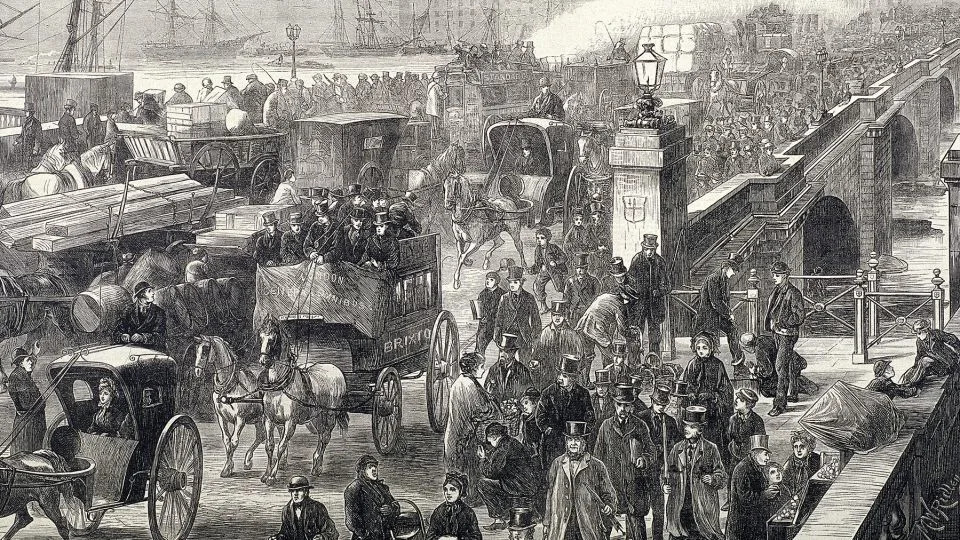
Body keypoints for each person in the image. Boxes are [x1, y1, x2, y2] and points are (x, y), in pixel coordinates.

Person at [593, 384, 656, 540]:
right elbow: (597, 456)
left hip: (634, 486)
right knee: (603, 529)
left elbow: (652, 451)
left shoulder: (640, 426)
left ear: (632, 407)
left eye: (626, 406)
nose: (622, 409)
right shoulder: (606, 426)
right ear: (614, 404)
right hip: (611, 486)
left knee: (637, 531)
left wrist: (645, 459)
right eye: (619, 405)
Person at [543, 420, 617, 540]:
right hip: (562, 523)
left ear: (583, 443)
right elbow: (550, 494)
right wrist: (547, 522)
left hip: (586, 522)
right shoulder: (557, 463)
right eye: (570, 440)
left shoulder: (596, 465)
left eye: (577, 440)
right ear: (566, 442)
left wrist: (610, 505)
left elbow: (608, 492)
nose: (573, 444)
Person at [662, 406, 727, 540]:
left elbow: (722, 475)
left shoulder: (710, 448)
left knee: (702, 535)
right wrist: (664, 484)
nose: (686, 429)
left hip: (702, 504)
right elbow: (666, 471)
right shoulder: (677, 448)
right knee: (679, 535)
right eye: (686, 425)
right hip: (680, 503)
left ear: (700, 429)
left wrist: (713, 479)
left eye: (691, 427)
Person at [444, 352, 502, 500]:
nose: (483, 370)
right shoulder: (468, 385)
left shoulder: (462, 381)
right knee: (466, 468)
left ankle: (468, 496)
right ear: (473, 368)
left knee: (463, 467)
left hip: (461, 434)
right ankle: (469, 498)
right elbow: (480, 411)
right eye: (481, 367)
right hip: (464, 437)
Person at [680, 333, 734, 469]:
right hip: (695, 410)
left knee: (713, 438)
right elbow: (684, 386)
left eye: (704, 347)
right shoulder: (692, 364)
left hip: (713, 412)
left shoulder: (718, 365)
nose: (701, 351)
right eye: (698, 348)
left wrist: (712, 395)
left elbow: (727, 390)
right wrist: (690, 394)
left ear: (711, 348)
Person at [477, 422, 543, 530]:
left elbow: (491, 472)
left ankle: (499, 519)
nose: (489, 444)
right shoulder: (512, 442)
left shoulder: (503, 448)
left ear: (493, 437)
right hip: (526, 484)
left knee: (483, 484)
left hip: (518, 487)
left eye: (489, 440)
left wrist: (482, 459)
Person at [637, 384, 682, 540]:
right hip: (641, 472)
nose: (661, 407)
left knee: (658, 510)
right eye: (658, 404)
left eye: (664, 405)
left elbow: (676, 446)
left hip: (659, 471)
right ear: (652, 401)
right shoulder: (640, 417)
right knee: (639, 509)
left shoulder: (670, 422)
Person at [537, 356, 596, 466]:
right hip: (553, 442)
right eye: (559, 374)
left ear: (573, 378)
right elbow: (540, 415)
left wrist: (581, 434)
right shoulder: (548, 393)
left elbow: (590, 417)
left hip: (575, 443)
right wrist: (547, 429)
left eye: (564, 376)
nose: (559, 378)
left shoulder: (583, 394)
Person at [764, 261, 805, 417]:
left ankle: (779, 404)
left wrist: (783, 321)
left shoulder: (793, 293)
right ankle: (793, 392)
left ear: (786, 276)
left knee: (780, 366)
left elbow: (799, 316)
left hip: (787, 334)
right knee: (786, 364)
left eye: (777, 275)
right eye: (773, 275)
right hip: (777, 333)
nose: (774, 278)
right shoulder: (777, 290)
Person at [692, 253, 744, 364]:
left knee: (732, 329)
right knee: (709, 342)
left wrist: (727, 314)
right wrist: (729, 314)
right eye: (734, 270)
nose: (735, 273)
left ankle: (737, 359)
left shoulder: (724, 279)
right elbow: (716, 302)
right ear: (727, 268)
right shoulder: (714, 278)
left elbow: (723, 301)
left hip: (719, 315)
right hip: (708, 316)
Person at [738, 332, 819, 400]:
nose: (746, 351)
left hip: (788, 367)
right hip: (792, 363)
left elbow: (768, 371)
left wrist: (754, 370)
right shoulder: (762, 339)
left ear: (748, 347)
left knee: (765, 390)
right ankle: (796, 381)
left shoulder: (760, 350)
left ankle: (799, 383)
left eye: (745, 348)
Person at [626, 234, 670, 355]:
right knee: (636, 334)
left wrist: (659, 291)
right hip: (639, 304)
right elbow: (629, 280)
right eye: (647, 249)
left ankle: (654, 362)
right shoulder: (636, 259)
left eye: (652, 249)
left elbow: (667, 285)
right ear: (643, 249)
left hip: (654, 305)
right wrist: (636, 289)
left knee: (655, 336)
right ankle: (634, 363)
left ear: (655, 249)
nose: (649, 252)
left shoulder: (660, 262)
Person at [726, 435, 774, 540]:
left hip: (752, 523)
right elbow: (745, 498)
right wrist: (765, 494)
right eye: (765, 454)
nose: (768, 458)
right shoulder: (743, 469)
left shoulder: (756, 466)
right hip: (742, 527)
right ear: (755, 453)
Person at [529, 300, 585, 390]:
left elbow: (581, 357)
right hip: (548, 376)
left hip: (567, 377)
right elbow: (537, 354)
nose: (557, 318)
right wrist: (536, 362)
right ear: (551, 315)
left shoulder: (572, 335)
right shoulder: (545, 333)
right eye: (554, 315)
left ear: (564, 316)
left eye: (560, 315)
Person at [344, 455, 401, 540]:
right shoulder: (354, 488)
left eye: (375, 466)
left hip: (385, 536)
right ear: (362, 470)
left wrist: (391, 509)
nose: (374, 469)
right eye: (370, 467)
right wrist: (364, 535)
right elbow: (351, 520)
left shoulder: (382, 488)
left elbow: (396, 506)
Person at [492, 267, 541, 362]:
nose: (512, 285)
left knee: (525, 364)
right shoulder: (504, 298)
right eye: (510, 282)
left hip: (523, 336)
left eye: (515, 282)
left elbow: (536, 320)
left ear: (521, 283)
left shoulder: (529, 298)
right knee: (504, 363)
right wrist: (496, 334)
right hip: (506, 336)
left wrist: (535, 338)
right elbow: (499, 319)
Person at [270, 475, 339, 540]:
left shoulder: (317, 508)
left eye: (299, 490)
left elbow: (333, 533)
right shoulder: (287, 510)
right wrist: (278, 537)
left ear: (306, 492)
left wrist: (322, 537)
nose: (295, 494)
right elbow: (285, 533)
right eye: (293, 491)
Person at [7, 344, 46, 453]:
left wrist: (34, 354)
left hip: (32, 420)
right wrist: (40, 404)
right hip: (28, 422)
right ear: (20, 363)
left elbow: (30, 368)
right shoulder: (17, 376)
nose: (31, 362)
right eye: (28, 360)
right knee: (28, 450)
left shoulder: (22, 373)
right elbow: (25, 404)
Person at [901, 319, 960, 386]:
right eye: (916, 334)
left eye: (919, 333)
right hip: (936, 365)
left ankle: (912, 384)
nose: (918, 336)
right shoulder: (919, 341)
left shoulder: (936, 334)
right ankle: (906, 383)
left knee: (924, 360)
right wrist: (915, 367)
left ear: (926, 331)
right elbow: (919, 355)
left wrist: (958, 353)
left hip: (947, 362)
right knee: (910, 371)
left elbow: (953, 339)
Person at [114, 281, 167, 353]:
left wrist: (143, 337)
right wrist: (122, 336)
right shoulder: (128, 310)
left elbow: (161, 337)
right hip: (131, 351)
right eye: (149, 291)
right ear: (141, 294)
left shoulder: (159, 312)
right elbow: (117, 331)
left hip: (152, 351)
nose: (153, 293)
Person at [427, 472, 482, 540]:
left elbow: (477, 537)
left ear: (460, 491)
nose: (448, 493)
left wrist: (457, 538)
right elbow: (429, 537)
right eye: (445, 489)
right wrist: (441, 538)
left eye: (452, 489)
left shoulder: (468, 512)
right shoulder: (438, 511)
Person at [485, 334, 535, 405]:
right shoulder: (493, 369)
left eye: (506, 352)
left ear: (513, 353)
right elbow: (486, 391)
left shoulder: (522, 371)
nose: (502, 354)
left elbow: (530, 395)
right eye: (501, 351)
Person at [529, 228, 568, 314]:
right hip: (545, 271)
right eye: (537, 238)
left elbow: (564, 257)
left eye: (542, 238)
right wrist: (532, 269)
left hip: (556, 270)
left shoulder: (553, 247)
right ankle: (544, 307)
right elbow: (537, 263)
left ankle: (566, 306)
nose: (539, 240)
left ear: (548, 238)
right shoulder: (538, 250)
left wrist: (556, 262)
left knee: (561, 288)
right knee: (537, 285)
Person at [563, 253, 601, 327]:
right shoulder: (570, 281)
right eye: (577, 268)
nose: (580, 270)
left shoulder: (594, 281)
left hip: (588, 312)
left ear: (586, 268)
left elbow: (597, 298)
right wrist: (566, 314)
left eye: (582, 268)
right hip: (574, 313)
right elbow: (566, 298)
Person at [475, 272, 506, 356]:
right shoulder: (482, 294)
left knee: (503, 347)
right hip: (485, 325)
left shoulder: (503, 294)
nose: (488, 282)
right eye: (487, 279)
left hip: (499, 325)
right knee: (480, 343)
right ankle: (478, 364)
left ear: (496, 282)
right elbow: (480, 311)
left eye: (491, 280)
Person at [782, 431, 821, 495]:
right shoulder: (790, 462)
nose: (798, 450)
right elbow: (784, 482)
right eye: (795, 447)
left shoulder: (817, 459)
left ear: (809, 447)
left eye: (802, 446)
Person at [517, 387, 544, 468]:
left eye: (526, 403)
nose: (524, 407)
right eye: (523, 404)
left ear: (535, 403)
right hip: (528, 453)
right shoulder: (526, 419)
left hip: (537, 455)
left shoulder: (539, 420)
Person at [15, 102, 42, 166]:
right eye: (25, 111)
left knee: (31, 165)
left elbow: (38, 137)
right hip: (25, 147)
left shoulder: (36, 123)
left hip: (32, 147)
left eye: (27, 112)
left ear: (31, 113)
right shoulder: (25, 123)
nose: (25, 113)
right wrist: (17, 141)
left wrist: (36, 148)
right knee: (25, 165)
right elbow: (22, 135)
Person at [591, 369, 614, 434]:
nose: (600, 389)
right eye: (598, 386)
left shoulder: (613, 400)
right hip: (594, 433)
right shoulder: (590, 399)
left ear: (608, 387)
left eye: (603, 386)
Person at [426, 71, 446, 138]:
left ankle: (433, 136)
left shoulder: (429, 85)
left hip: (430, 106)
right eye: (438, 78)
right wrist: (446, 94)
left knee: (432, 122)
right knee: (436, 122)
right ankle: (437, 136)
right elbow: (441, 96)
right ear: (436, 79)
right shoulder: (437, 86)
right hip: (435, 106)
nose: (439, 80)